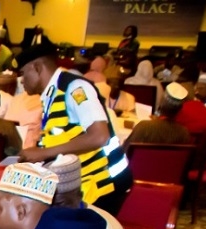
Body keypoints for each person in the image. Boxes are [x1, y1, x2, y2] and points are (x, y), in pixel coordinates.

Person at [20, 43, 132, 215]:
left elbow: (100, 136)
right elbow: (66, 137)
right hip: (86, 183)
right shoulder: (53, 93)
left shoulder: (75, 88)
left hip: (104, 183)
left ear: (36, 67)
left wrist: (44, 152)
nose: (21, 80)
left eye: (23, 73)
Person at [123, 86, 191, 148]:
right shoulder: (184, 133)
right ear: (180, 109)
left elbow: (125, 151)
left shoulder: (144, 127)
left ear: (161, 103)